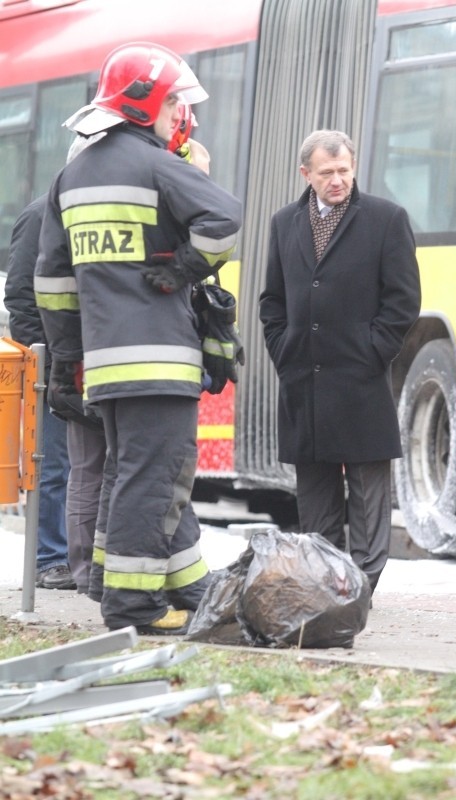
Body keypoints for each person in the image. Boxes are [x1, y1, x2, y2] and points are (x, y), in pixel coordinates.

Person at [35, 42, 242, 635]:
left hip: (103, 365)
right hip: (161, 360)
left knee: (141, 473)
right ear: (148, 102)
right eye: (176, 101)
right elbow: (224, 221)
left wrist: (68, 361)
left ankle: (181, 583)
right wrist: (183, 269)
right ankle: (131, 605)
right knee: (153, 478)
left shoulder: (71, 176)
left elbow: (51, 282)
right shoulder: (157, 164)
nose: (181, 114)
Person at [259, 129, 421, 594]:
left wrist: (373, 351)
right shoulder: (284, 223)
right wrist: (283, 350)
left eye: (344, 171)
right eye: (326, 172)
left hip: (361, 379)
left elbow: (403, 301)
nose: (337, 180)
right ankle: (325, 587)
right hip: (303, 381)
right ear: (305, 173)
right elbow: (272, 301)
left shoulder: (386, 219)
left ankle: (363, 588)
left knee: (369, 494)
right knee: (315, 496)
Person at [4, 198, 74, 590]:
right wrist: (43, 362)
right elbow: (19, 297)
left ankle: (69, 557)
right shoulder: (40, 214)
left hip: (81, 360)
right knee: (52, 463)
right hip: (54, 364)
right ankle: (49, 558)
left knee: (80, 466)